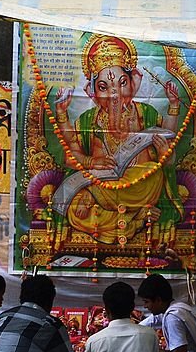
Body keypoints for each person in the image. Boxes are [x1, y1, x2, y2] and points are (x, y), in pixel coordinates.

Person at [46, 33, 185, 248]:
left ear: (134, 81)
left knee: (150, 174)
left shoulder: (145, 113)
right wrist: (91, 162)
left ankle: (124, 211)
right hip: (102, 186)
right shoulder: (88, 120)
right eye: (103, 87)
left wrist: (173, 111)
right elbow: (70, 156)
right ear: (91, 91)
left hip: (138, 187)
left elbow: (167, 155)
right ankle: (137, 218)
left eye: (122, 83)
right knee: (73, 208)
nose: (114, 94)